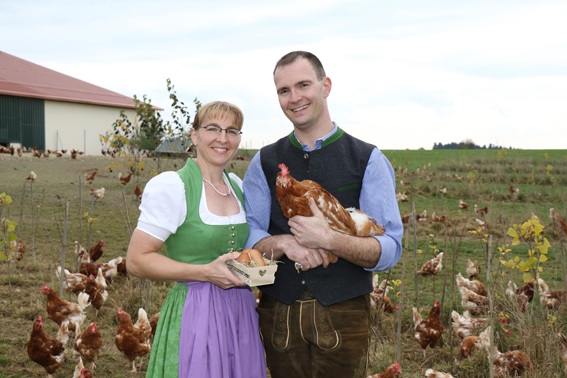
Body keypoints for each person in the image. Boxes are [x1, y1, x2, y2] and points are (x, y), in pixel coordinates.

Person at [242, 51, 403, 378]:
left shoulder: (366, 159)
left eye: (303, 85)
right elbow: (250, 233)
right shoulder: (264, 162)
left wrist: (330, 240)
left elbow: (390, 248)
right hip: (279, 313)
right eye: (284, 91)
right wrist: (286, 243)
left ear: (325, 86)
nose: (294, 97)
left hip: (343, 314)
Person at [126, 101, 267, 378]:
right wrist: (204, 272)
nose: (223, 138)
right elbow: (136, 261)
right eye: (213, 128)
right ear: (194, 135)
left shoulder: (238, 186)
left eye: (232, 131)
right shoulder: (173, 187)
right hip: (195, 311)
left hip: (240, 311)